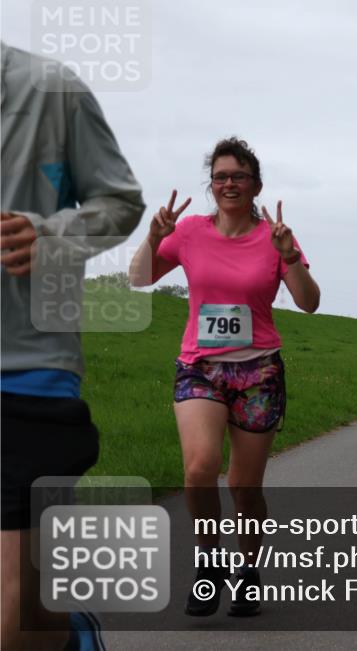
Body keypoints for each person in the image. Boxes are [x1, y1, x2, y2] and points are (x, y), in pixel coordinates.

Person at [129, 137, 320, 617]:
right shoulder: (190, 231)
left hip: (258, 371)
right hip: (200, 366)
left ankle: (248, 571)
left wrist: (290, 256)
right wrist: (153, 236)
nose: (228, 183)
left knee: (244, 487)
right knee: (198, 468)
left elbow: (309, 302)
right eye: (220, 176)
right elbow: (138, 278)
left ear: (256, 184)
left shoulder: (276, 236)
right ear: (210, 184)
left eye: (238, 176)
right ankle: (209, 564)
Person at [1, 42, 145, 649]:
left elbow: (120, 199)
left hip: (28, 366)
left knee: (11, 607)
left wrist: (50, 232)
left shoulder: (50, 88)